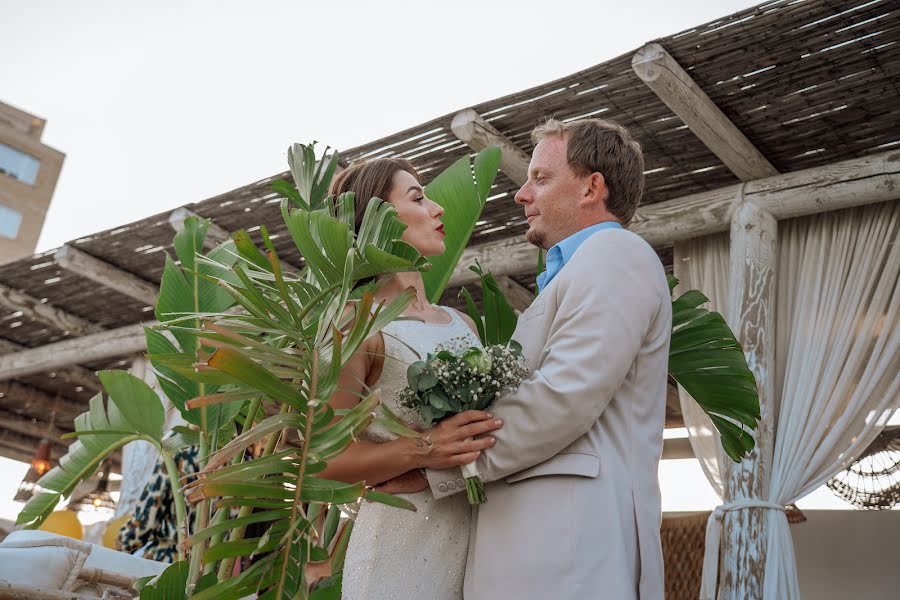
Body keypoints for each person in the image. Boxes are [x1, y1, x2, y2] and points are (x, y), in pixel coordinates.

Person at [427, 118, 671, 599]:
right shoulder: (578, 269)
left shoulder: (615, 254)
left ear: (591, 188)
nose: (521, 194)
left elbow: (564, 397)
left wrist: (435, 461)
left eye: (540, 178)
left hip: (570, 553)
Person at [319, 157, 504, 599]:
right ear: (377, 220)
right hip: (398, 546)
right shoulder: (355, 325)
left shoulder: (463, 323)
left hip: (485, 544)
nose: (438, 209)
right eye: (419, 198)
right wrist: (423, 448)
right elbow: (325, 461)